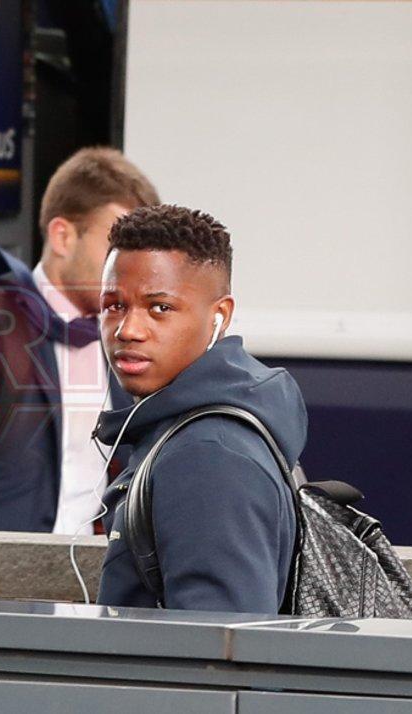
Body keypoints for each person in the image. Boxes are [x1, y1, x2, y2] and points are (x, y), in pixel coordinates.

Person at [0, 147, 159, 531]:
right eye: (114, 248)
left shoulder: (123, 336)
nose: (125, 269)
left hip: (99, 580)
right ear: (62, 236)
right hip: (3, 584)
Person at [94, 205, 303, 613]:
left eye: (160, 308)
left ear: (219, 316)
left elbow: (219, 654)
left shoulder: (209, 454)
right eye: (114, 305)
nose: (127, 330)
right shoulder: (194, 432)